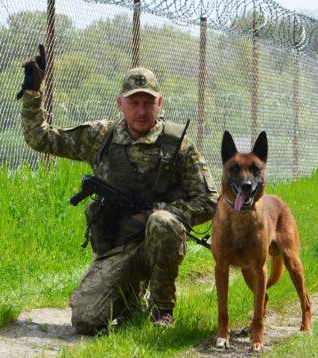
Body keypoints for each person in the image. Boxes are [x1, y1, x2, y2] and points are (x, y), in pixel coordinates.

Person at [18, 49, 218, 332]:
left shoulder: (178, 146)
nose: (141, 110)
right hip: (117, 249)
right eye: (133, 102)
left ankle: (162, 310)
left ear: (159, 103)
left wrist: (158, 213)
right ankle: (131, 300)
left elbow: (209, 200)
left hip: (157, 246)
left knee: (162, 223)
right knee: (87, 321)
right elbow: (40, 137)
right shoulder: (101, 136)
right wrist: (32, 93)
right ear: (119, 104)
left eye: (148, 103)